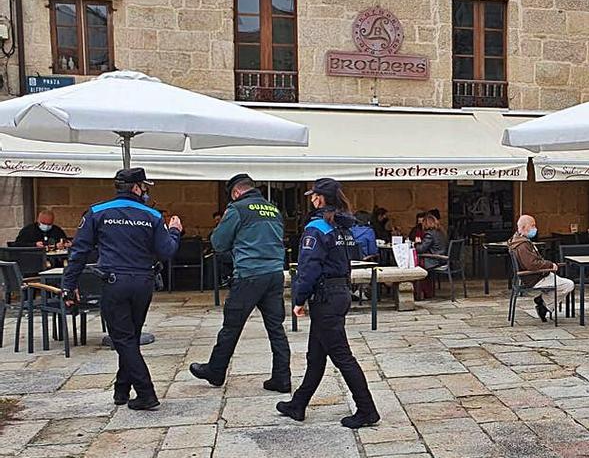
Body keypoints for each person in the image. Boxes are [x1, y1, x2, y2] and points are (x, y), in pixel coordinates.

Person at [61, 168, 182, 410]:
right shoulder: (153, 215)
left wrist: (69, 285)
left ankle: (146, 394)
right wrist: (175, 231)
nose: (146, 191)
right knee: (130, 338)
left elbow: (79, 252)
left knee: (124, 339)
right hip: (143, 282)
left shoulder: (97, 211)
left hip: (115, 282)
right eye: (145, 187)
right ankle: (122, 389)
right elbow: (167, 252)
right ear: (137, 187)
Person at [277, 178, 380, 429]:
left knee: (342, 356)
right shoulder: (343, 228)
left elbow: (308, 268)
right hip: (339, 292)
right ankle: (298, 404)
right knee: (316, 355)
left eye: (314, 195)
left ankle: (367, 410)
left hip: (325, 297)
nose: (311, 199)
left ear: (320, 198)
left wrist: (299, 299)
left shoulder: (317, 228)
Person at [190, 174, 291, 393]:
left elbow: (218, 242)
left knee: (231, 326)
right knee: (276, 328)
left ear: (236, 192)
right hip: (274, 274)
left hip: (249, 275)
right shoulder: (273, 210)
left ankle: (216, 371)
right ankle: (282, 377)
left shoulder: (237, 209)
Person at [507, 215, 575, 322]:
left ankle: (542, 300)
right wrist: (549, 265)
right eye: (533, 225)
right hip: (535, 277)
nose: (535, 228)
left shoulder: (519, 240)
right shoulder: (522, 245)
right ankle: (544, 306)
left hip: (539, 275)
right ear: (524, 227)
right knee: (568, 285)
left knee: (561, 283)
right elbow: (532, 264)